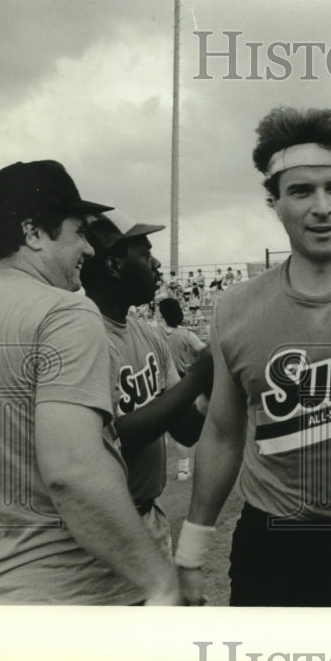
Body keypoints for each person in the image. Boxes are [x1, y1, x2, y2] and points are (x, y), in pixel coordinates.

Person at [176, 106, 331, 607]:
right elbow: (224, 432)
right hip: (269, 546)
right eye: (300, 191)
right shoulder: (236, 307)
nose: (323, 207)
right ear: (274, 202)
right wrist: (192, 545)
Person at [0, 160, 180, 605]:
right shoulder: (65, 312)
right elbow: (73, 472)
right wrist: (159, 579)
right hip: (73, 589)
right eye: (78, 232)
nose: (90, 249)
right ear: (34, 233)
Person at [79, 209, 212, 572]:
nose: (156, 265)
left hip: (149, 516)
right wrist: (197, 379)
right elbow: (110, 439)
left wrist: (210, 389)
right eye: (144, 254)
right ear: (115, 265)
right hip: (98, 533)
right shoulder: (82, 336)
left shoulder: (148, 333)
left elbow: (184, 427)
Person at [158, 297, 209, 480]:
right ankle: (183, 469)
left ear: (162, 314)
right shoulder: (186, 335)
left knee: (158, 429)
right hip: (180, 382)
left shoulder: (153, 333)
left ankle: (159, 468)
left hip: (159, 383)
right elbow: (207, 353)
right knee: (181, 426)